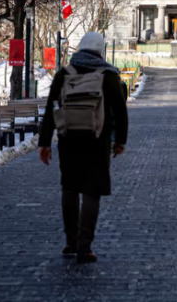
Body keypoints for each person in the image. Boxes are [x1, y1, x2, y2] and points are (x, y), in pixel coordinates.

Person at [38, 32, 128, 264]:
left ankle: (71, 241)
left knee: (69, 188)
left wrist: (44, 143)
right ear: (100, 50)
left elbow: (50, 109)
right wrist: (120, 140)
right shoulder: (108, 75)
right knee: (91, 191)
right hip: (97, 139)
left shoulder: (64, 73)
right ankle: (85, 247)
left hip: (68, 139)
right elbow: (120, 111)